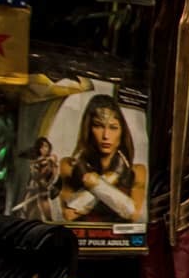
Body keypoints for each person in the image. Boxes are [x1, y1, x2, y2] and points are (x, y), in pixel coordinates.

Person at [60, 93, 146, 223]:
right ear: (88, 128)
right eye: (98, 126)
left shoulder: (137, 171)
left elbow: (133, 214)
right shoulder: (69, 166)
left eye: (113, 127)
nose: (106, 135)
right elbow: (69, 214)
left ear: (122, 132)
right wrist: (103, 180)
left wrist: (97, 183)